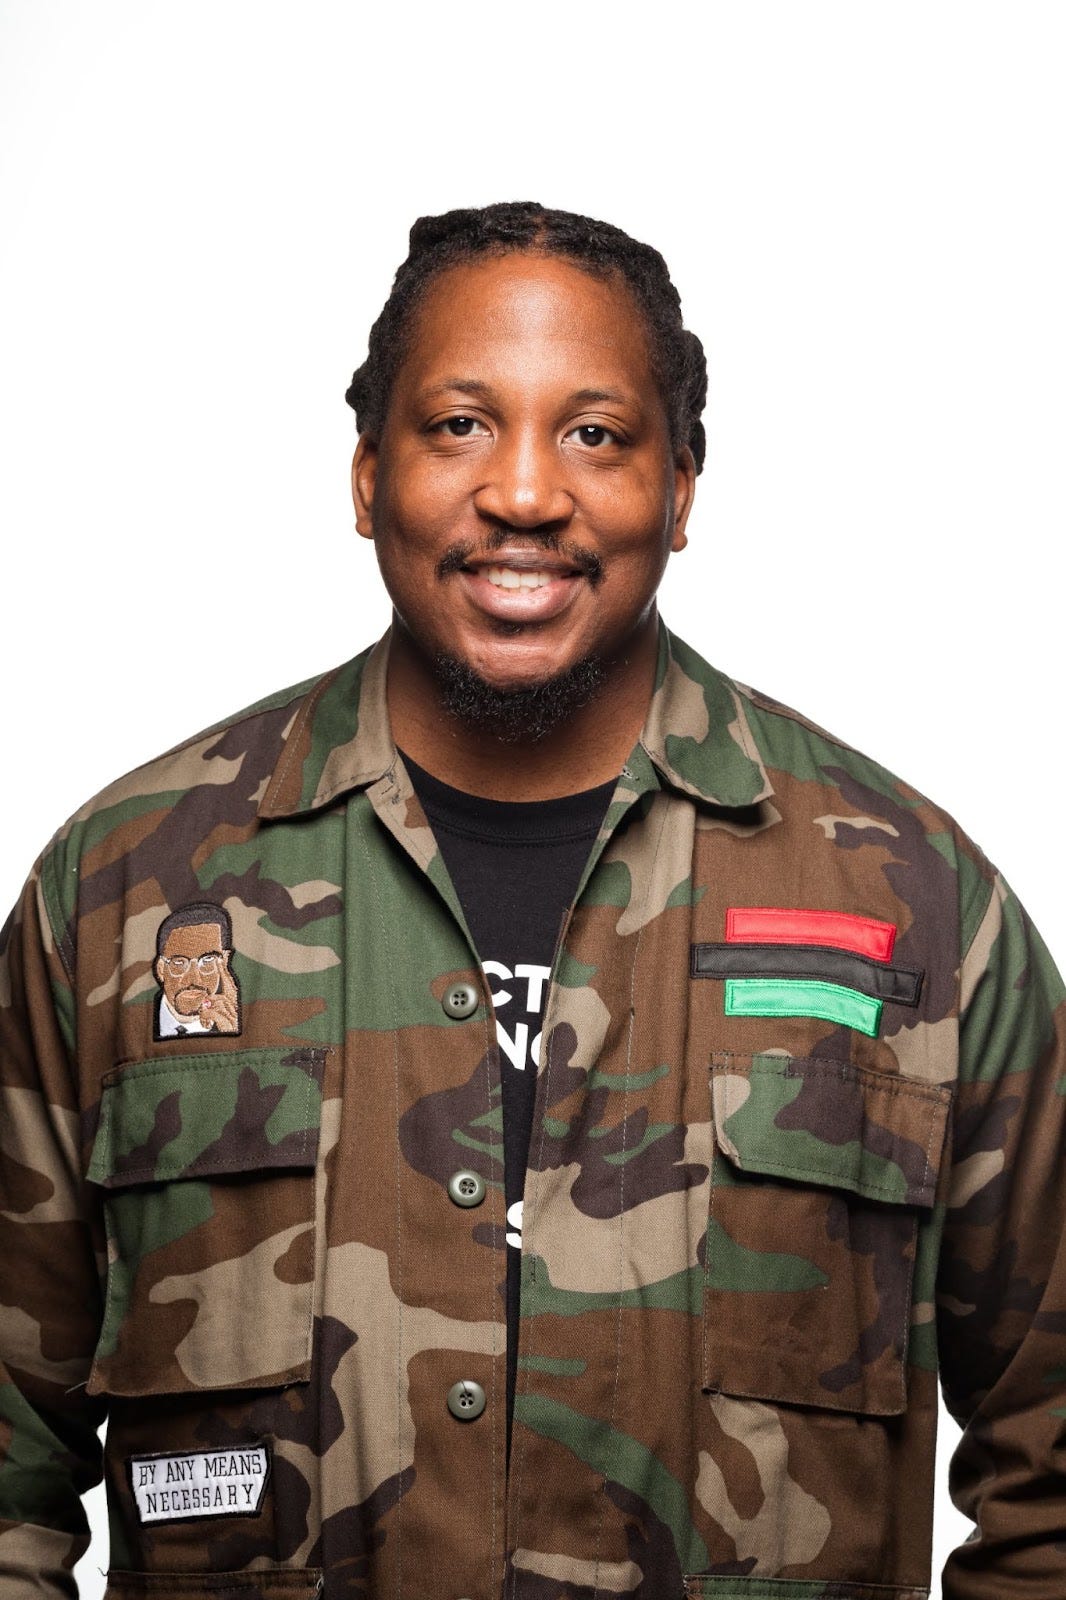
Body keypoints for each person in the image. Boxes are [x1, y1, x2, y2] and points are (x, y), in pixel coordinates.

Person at [0, 201, 1063, 1600]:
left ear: (680, 488)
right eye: (456, 426)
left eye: (594, 434)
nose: (520, 493)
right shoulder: (126, 889)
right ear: (366, 475)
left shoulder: (919, 903)